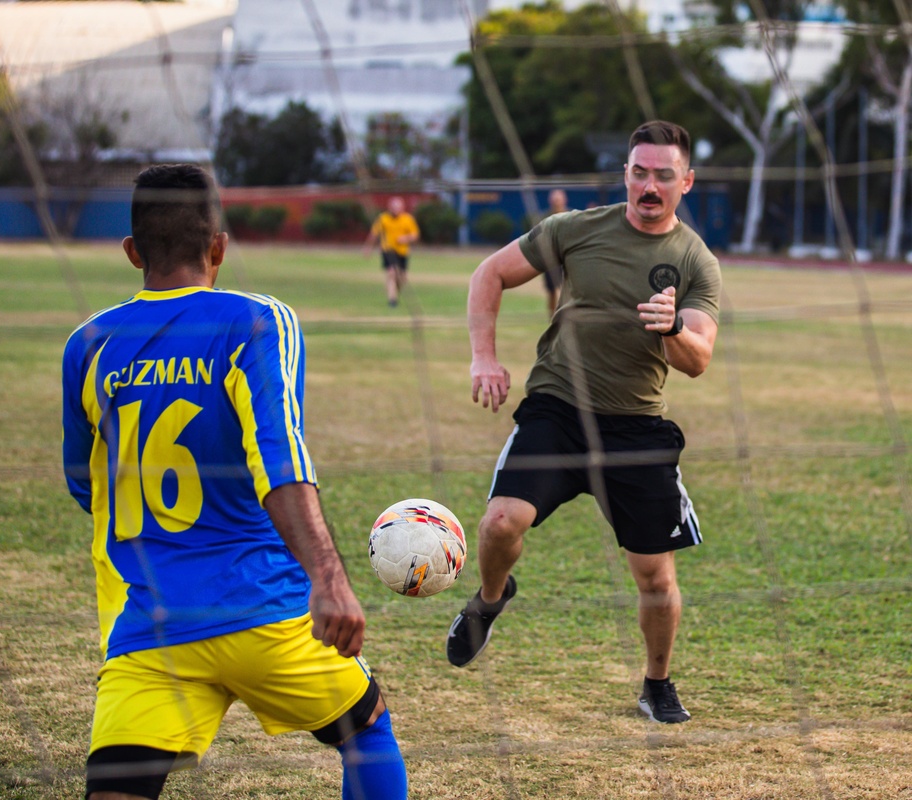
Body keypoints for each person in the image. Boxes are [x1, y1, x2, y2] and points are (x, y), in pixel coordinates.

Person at [62, 164, 408, 800]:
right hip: (264, 613)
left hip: (150, 624)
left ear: (133, 252)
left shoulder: (87, 344)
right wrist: (329, 578)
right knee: (368, 729)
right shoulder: (255, 320)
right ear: (218, 247)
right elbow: (278, 461)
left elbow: (87, 487)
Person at [446, 121, 721, 725]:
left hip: (636, 426)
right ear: (625, 173)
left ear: (687, 182)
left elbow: (698, 359)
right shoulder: (576, 229)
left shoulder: (696, 262)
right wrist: (483, 356)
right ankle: (490, 601)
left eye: (663, 176)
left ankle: (657, 684)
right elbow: (489, 274)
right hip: (558, 411)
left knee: (654, 574)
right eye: (640, 172)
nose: (650, 186)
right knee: (499, 523)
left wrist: (672, 329)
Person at [364, 196, 420, 307]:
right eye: (394, 207)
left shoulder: (407, 219)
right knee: (391, 272)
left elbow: (415, 235)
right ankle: (392, 300)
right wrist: (368, 248)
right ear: (389, 207)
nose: (396, 210)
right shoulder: (383, 218)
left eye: (398, 207)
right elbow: (374, 234)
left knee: (401, 278)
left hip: (402, 251)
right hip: (388, 250)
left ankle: (394, 292)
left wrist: (405, 238)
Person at [541, 189, 569, 318]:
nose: (556, 202)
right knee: (551, 291)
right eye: (554, 199)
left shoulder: (572, 217)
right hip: (551, 260)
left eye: (559, 199)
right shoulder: (545, 218)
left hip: (567, 259)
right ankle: (552, 318)